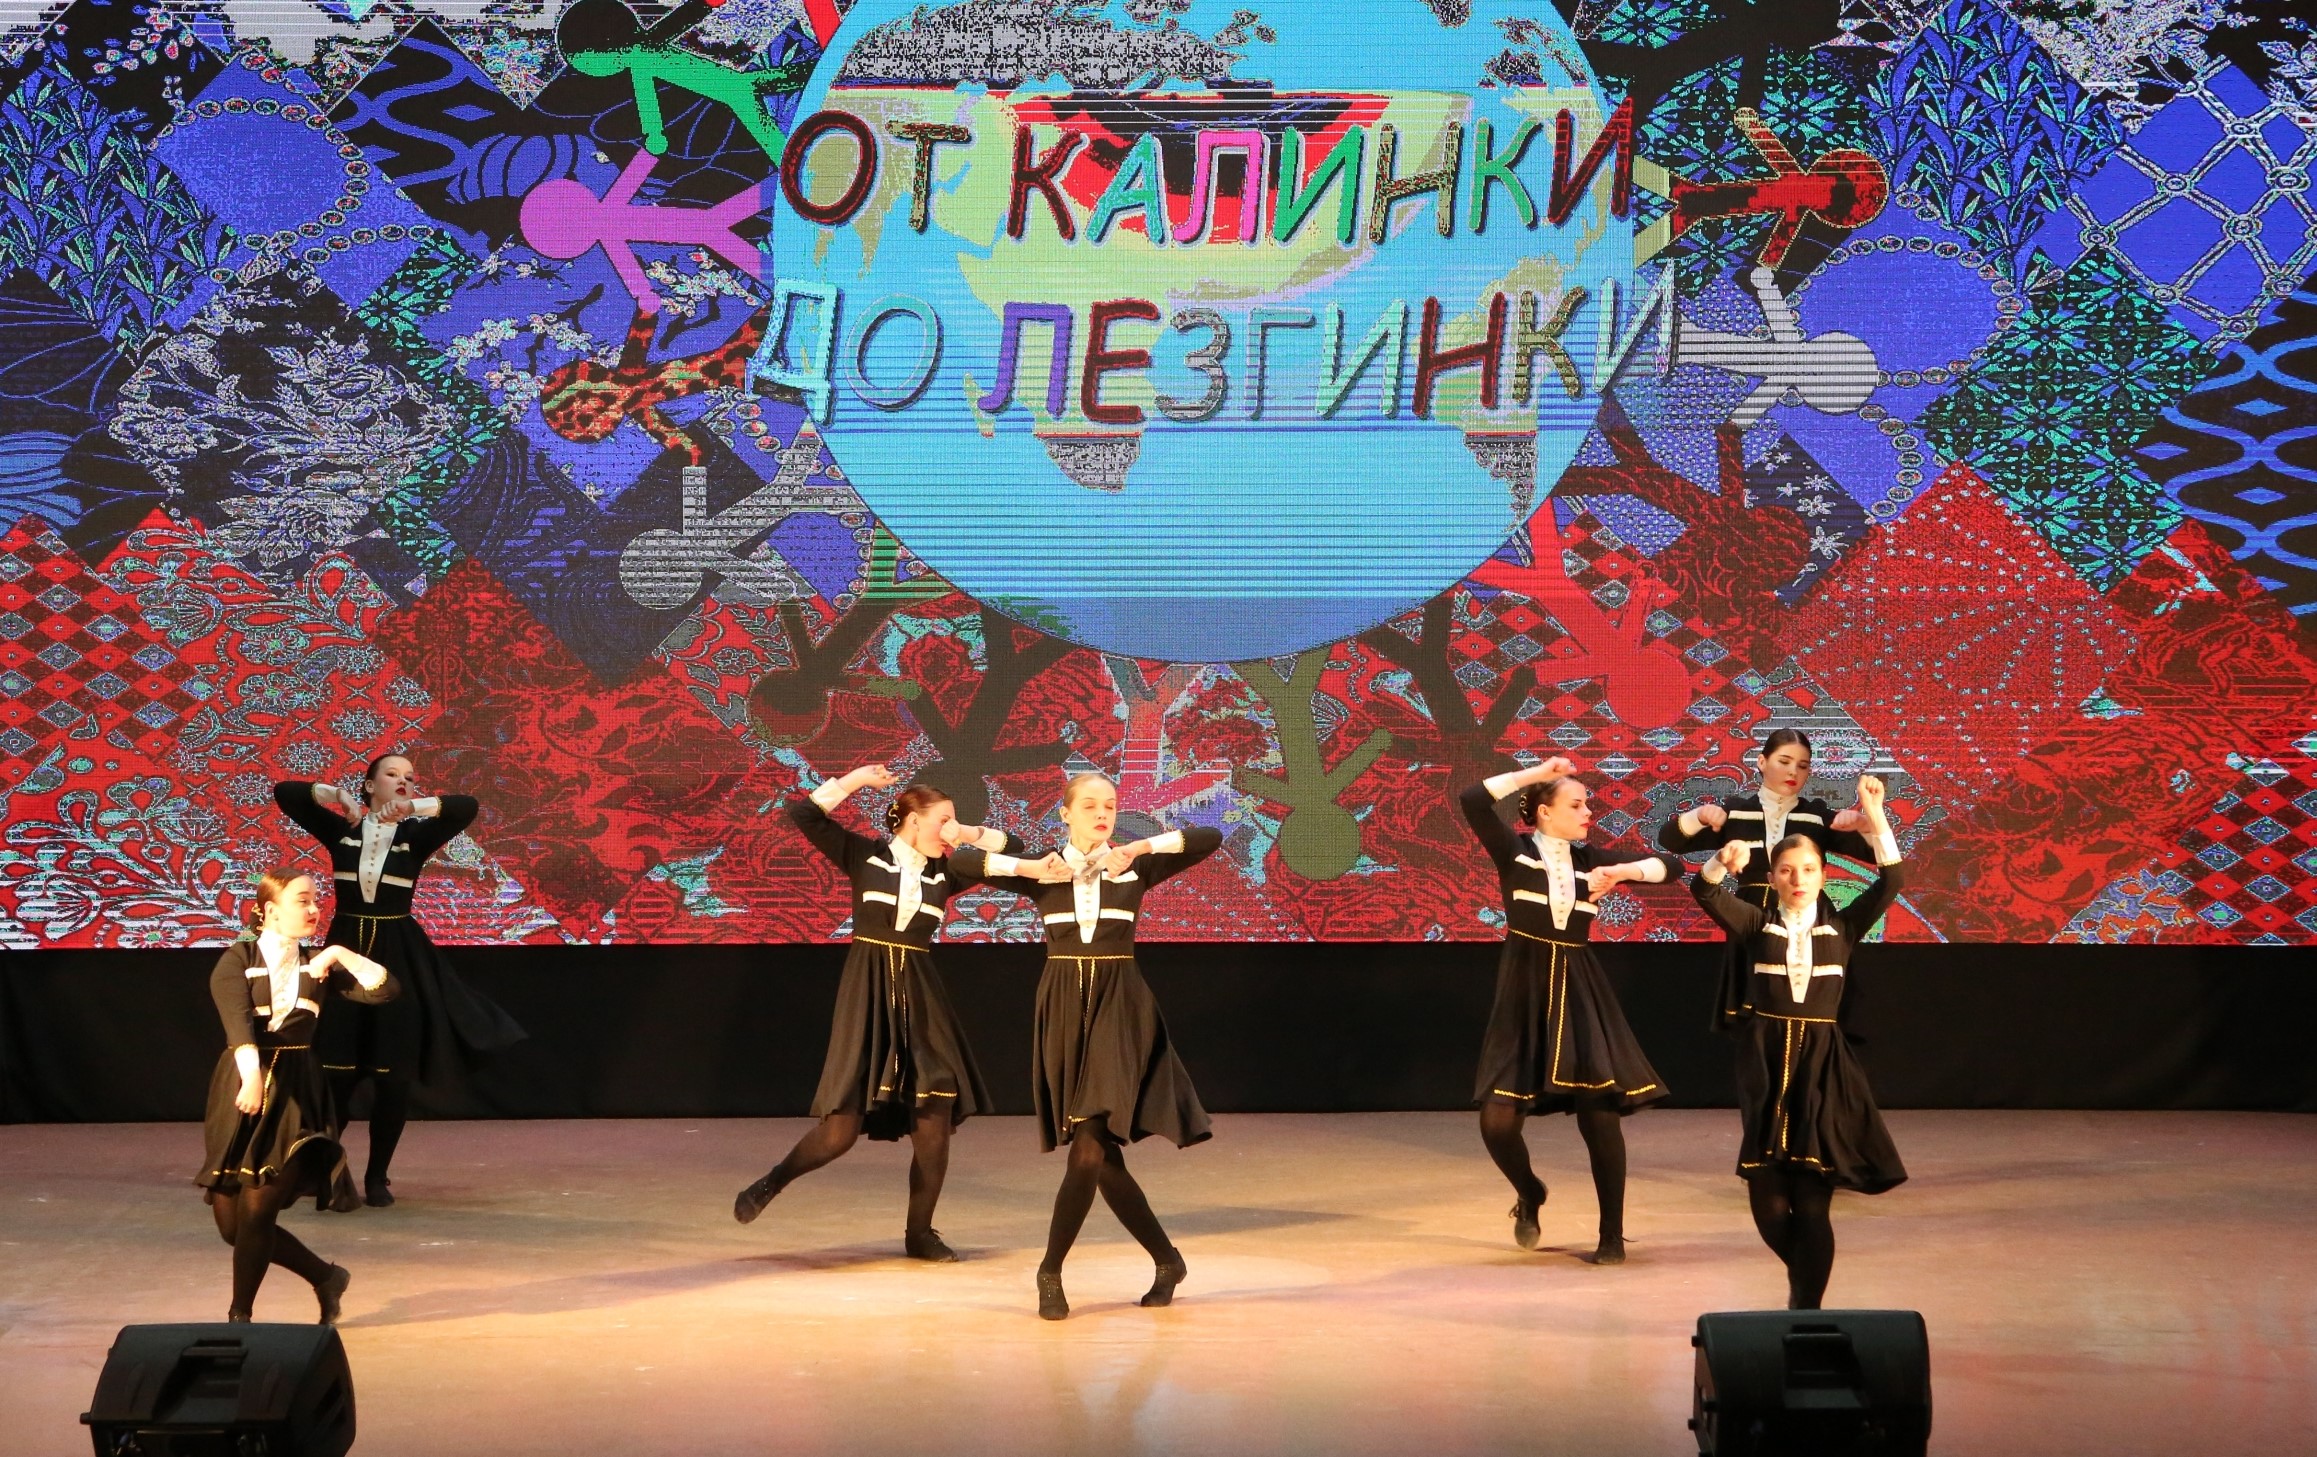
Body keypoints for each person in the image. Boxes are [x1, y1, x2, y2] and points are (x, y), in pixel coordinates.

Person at [949, 773, 1217, 1320]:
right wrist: (1028, 869)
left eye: (1110, 806)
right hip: (1064, 1008)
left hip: (1121, 1008)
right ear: (1065, 813)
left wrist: (1139, 847)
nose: (1102, 814)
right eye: (1090, 805)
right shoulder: (1044, 869)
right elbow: (962, 862)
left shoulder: (1134, 866)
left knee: (1091, 1145)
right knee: (1102, 1157)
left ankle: (1050, 1270)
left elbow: (1208, 836)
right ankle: (1168, 1260)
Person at [732, 765, 1012, 1260]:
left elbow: (1018, 852)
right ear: (912, 820)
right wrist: (857, 780)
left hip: (921, 997)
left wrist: (966, 833)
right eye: (943, 820)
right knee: (839, 1131)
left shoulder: (947, 873)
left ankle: (920, 1233)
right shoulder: (866, 857)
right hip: (868, 990)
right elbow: (805, 815)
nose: (949, 830)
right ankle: (774, 1180)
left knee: (934, 1114)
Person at [1690, 774, 1907, 1309]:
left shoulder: (1844, 926)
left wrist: (1876, 816)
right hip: (1765, 1065)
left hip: (1822, 1068)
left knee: (1812, 1204)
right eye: (1787, 870)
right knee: (1768, 1205)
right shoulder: (1757, 925)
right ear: (1773, 877)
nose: (1798, 879)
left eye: (1809, 869)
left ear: (1824, 875)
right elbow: (1705, 891)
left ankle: (1805, 1309)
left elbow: (1892, 880)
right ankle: (1804, 1284)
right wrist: (1721, 860)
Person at [274, 755, 525, 1207]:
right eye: (392, 774)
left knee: (393, 1076)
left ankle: (378, 1177)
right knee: (336, 1075)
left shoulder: (415, 835)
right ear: (370, 786)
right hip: (345, 951)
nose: (403, 780)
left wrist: (415, 807)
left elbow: (466, 806)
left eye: (410, 776)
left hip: (399, 956)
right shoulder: (342, 830)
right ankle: (323, 1170)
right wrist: (338, 796)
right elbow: (285, 794)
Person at [1460, 756, 1680, 1265]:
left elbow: (1672, 867)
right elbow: (1472, 801)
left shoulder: (1590, 860)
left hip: (1579, 990)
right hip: (1524, 992)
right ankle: (1530, 1191)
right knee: (1497, 1125)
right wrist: (1536, 774)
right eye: (1577, 805)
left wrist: (1621, 872)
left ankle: (1610, 1234)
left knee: (1599, 1118)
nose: (1587, 813)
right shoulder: (1515, 853)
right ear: (1544, 812)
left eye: (1587, 805)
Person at [196, 869, 392, 1322]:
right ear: (270, 910)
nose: (314, 909)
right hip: (241, 1085)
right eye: (302, 900)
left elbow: (385, 991)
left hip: (297, 1093)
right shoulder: (236, 959)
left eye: (315, 900)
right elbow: (238, 1026)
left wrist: (341, 954)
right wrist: (251, 1079)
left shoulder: (317, 963)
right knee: (233, 1227)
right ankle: (326, 1276)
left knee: (258, 1211)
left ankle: (240, 1318)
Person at [1657, 728, 1879, 1027]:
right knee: (1756, 1000)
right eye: (1784, 761)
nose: (1793, 772)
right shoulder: (1736, 812)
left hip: (1806, 913)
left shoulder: (1816, 816)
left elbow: (1878, 856)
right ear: (1762, 762)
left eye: (1802, 765)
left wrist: (1866, 825)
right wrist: (1698, 816)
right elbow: (1670, 841)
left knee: (1809, 995)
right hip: (1751, 912)